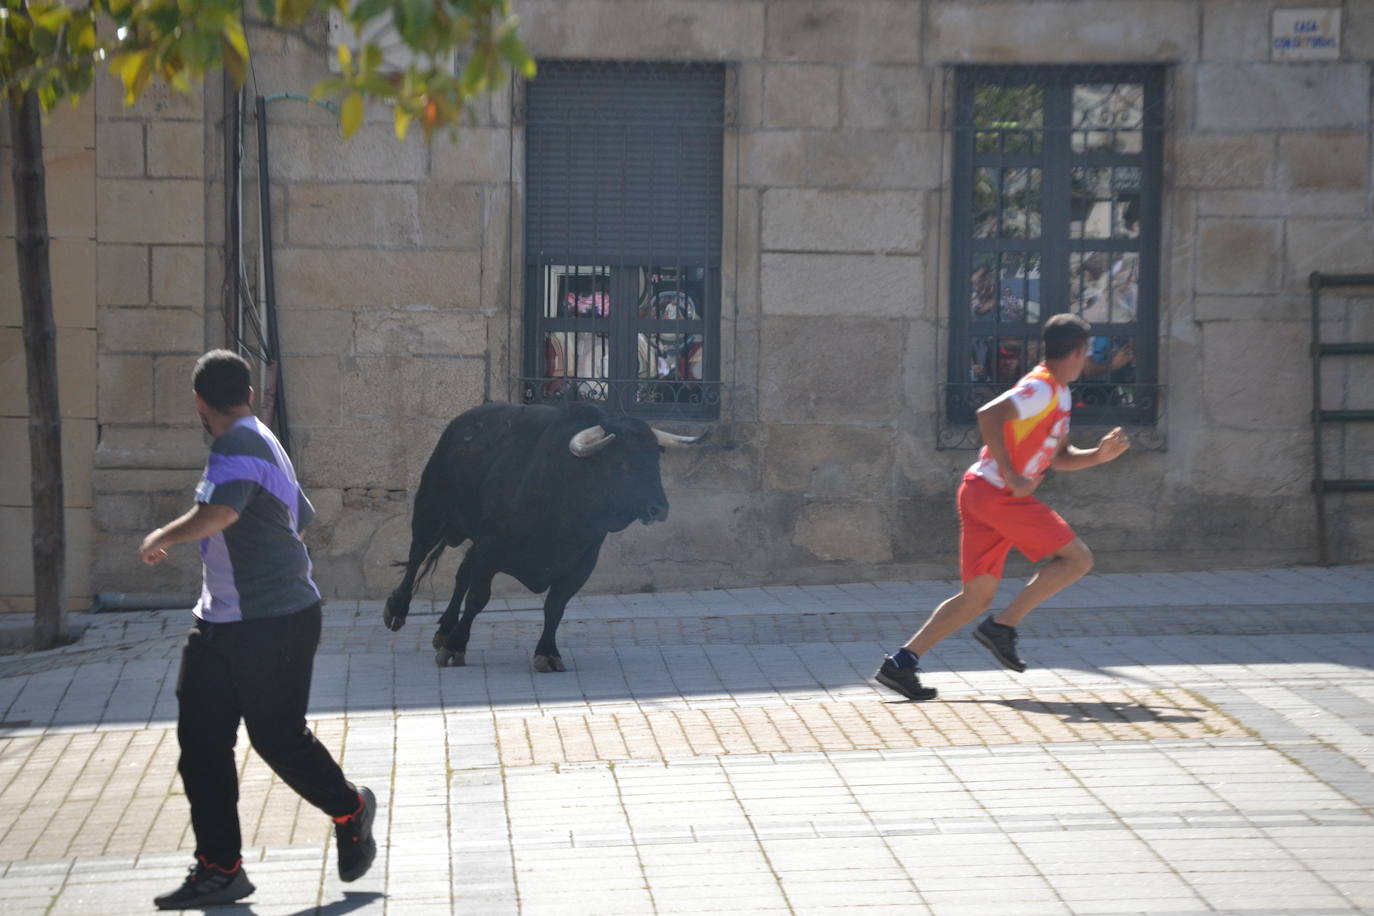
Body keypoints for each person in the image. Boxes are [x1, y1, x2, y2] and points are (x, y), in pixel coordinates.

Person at [139, 350, 376, 909]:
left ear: (200, 404)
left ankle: (352, 809)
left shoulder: (238, 445)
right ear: (250, 393)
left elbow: (221, 514)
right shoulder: (261, 439)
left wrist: (163, 535)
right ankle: (221, 868)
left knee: (277, 740)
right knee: (201, 745)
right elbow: (301, 516)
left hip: (274, 623)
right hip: (220, 622)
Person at [875, 314, 1131, 701]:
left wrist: (1098, 456)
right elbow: (989, 414)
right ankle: (1002, 626)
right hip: (999, 496)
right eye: (1086, 352)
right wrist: (1012, 474)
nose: (1087, 360)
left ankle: (901, 663)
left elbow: (1058, 457)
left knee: (975, 597)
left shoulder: (1057, 393)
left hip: (982, 493)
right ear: (1078, 352)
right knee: (1078, 560)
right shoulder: (1041, 388)